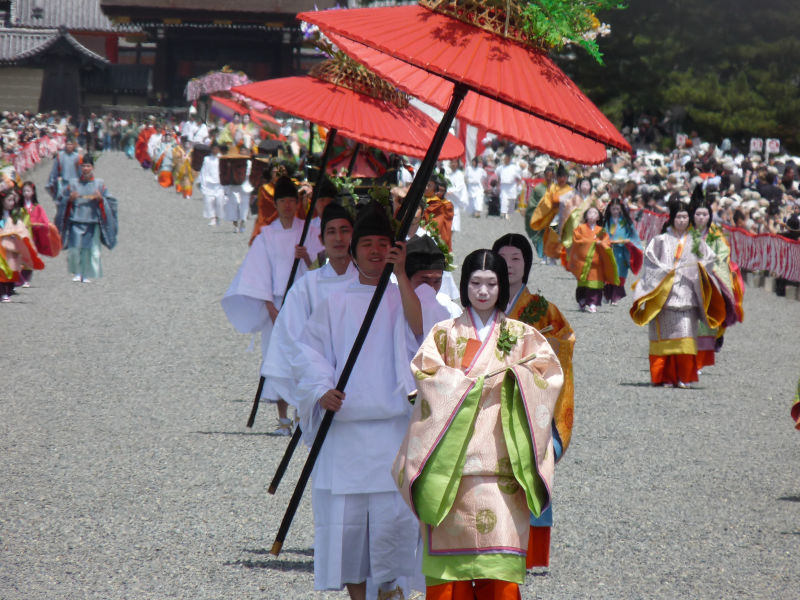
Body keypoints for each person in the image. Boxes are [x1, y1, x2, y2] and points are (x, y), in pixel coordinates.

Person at [392, 248, 563, 599]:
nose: (483, 291)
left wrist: (517, 377)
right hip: (450, 470)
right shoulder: (443, 333)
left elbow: (548, 375)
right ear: (464, 285)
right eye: (475, 283)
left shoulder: (523, 335)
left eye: (491, 283)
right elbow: (425, 375)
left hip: (503, 466)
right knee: (447, 577)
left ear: (502, 286)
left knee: (498, 571)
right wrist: (466, 385)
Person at [293, 203, 422, 599]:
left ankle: (391, 591)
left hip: (391, 433)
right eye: (367, 243)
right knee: (349, 535)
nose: (376, 251)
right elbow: (309, 356)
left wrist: (401, 276)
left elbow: (423, 336)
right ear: (354, 250)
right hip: (345, 436)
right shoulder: (335, 303)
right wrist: (320, 391)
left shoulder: (403, 298)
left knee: (392, 526)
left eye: (384, 244)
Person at [492, 233, 575, 568]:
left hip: (530, 403)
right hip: (490, 401)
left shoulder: (542, 309)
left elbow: (564, 341)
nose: (510, 266)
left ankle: (531, 551)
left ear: (526, 265)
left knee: (531, 466)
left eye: (516, 259)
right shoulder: (481, 302)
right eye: (504, 258)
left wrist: (529, 358)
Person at [221, 176, 324, 435]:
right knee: (277, 356)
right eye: (283, 201)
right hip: (276, 301)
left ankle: (302, 415)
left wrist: (307, 256)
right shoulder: (266, 234)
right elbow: (258, 272)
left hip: (304, 301)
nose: (288, 206)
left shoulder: (309, 230)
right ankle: (283, 419)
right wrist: (269, 306)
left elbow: (320, 269)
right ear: (276, 204)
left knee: (305, 354)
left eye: (292, 201)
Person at [261, 203, 358, 441]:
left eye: (345, 230)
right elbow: (292, 338)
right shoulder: (307, 285)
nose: (339, 238)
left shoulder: (370, 284)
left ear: (354, 235)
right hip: (322, 387)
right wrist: (318, 387)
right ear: (322, 238)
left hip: (362, 383)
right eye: (332, 232)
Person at [630, 200, 726, 388]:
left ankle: (684, 376)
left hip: (687, 297)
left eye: (685, 217)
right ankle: (664, 377)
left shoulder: (696, 241)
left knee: (685, 338)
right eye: (678, 217)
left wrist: (699, 267)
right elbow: (650, 264)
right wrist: (666, 271)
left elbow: (709, 261)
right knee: (664, 339)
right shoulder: (660, 241)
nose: (682, 221)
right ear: (671, 219)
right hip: (664, 298)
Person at [689, 186, 740, 371]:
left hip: (709, 282)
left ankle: (699, 361)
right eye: (698, 214)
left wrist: (711, 266)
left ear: (709, 216)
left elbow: (723, 255)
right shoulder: (685, 233)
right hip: (687, 281)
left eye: (705, 214)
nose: (701, 217)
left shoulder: (716, 235)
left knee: (706, 324)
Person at [54, 155, 118, 283]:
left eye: (88, 166)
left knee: (89, 250)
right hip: (76, 220)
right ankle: (77, 272)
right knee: (74, 249)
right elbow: (60, 199)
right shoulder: (72, 184)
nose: (85, 168)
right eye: (83, 166)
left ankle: (86, 273)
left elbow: (112, 202)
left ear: (93, 168)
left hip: (92, 221)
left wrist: (101, 199)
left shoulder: (99, 184)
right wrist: (69, 199)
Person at [566, 206, 619, 313]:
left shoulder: (601, 231)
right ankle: (582, 300)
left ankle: (592, 303)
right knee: (583, 285)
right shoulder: (580, 228)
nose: (592, 214)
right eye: (590, 213)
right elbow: (576, 240)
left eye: (595, 213)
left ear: (599, 217)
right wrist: (592, 242)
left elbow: (607, 243)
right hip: (583, 261)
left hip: (596, 263)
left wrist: (601, 244)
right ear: (586, 216)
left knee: (595, 285)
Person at [0, 185, 43, 302]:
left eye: (13, 200)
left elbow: (21, 227)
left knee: (12, 268)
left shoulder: (16, 214)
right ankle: (3, 292)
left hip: (11, 246)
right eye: (9, 200)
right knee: (2, 269)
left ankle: (8, 290)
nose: (12, 202)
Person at [602, 198, 643, 304]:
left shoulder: (626, 221)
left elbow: (633, 234)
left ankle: (615, 297)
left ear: (620, 209)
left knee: (620, 272)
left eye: (617, 209)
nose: (615, 211)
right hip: (609, 250)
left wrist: (631, 242)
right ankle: (607, 294)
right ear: (609, 209)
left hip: (622, 250)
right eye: (613, 209)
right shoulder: (606, 221)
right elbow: (602, 233)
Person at [529, 164, 574, 262]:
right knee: (548, 235)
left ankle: (554, 257)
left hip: (563, 216)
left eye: (564, 177)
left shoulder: (569, 189)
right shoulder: (553, 187)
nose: (562, 179)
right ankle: (545, 256)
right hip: (551, 214)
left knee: (560, 237)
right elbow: (547, 200)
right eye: (560, 177)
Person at [199, 142, 224, 226]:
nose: (215, 150)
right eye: (213, 148)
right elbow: (203, 172)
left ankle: (218, 217)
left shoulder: (222, 158)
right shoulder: (207, 159)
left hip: (220, 184)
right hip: (209, 183)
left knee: (219, 202)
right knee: (209, 201)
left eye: (216, 148)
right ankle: (212, 218)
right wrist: (203, 184)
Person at [495, 151, 522, 219]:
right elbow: (498, 176)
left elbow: (518, 177)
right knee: (503, 199)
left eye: (507, 159)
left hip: (512, 185)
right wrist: (497, 185)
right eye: (505, 159)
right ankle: (504, 212)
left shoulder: (514, 167)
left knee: (511, 199)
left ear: (509, 159)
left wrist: (518, 185)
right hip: (503, 186)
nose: (506, 160)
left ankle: (509, 212)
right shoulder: (500, 168)